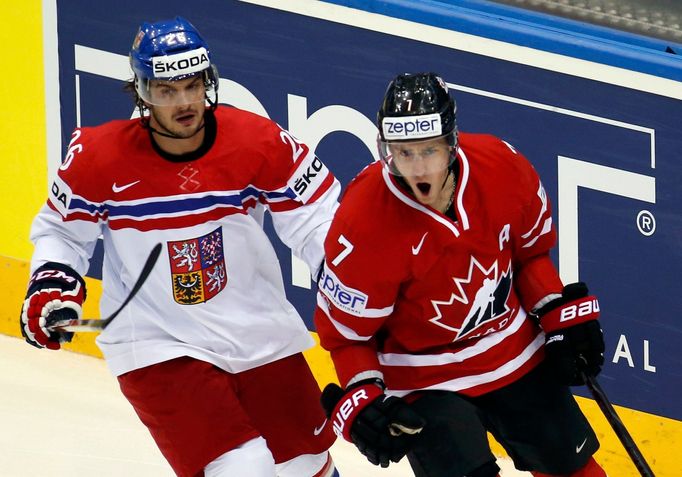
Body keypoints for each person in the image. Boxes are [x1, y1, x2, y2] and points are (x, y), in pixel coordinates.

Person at [19, 16, 340, 477]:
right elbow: (61, 231)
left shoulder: (257, 140)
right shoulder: (98, 156)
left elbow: (316, 217)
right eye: (168, 90)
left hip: (256, 329)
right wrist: (51, 285)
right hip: (156, 341)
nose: (185, 102)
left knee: (307, 465)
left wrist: (343, 280)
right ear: (143, 92)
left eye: (192, 85)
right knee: (244, 468)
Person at [315, 72, 607, 477]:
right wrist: (363, 396)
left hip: (512, 352)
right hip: (422, 379)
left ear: (451, 143)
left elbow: (529, 258)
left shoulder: (503, 167)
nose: (418, 170)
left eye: (429, 151)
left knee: (578, 472)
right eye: (404, 153)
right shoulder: (361, 221)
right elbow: (348, 337)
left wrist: (556, 311)